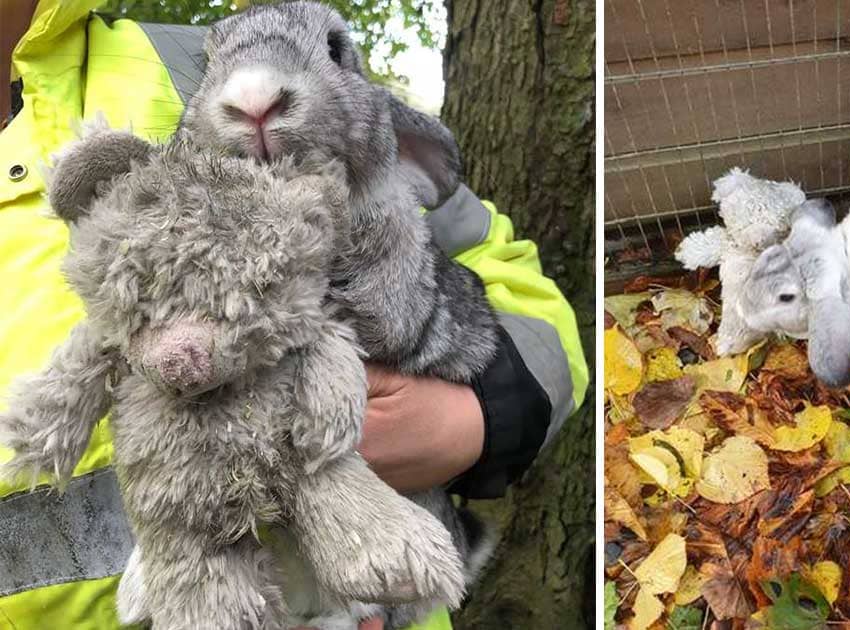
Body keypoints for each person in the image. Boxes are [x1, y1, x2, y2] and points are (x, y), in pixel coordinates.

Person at [0, 2, 588, 629]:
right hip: (184, 565)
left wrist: (469, 421)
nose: (249, 97)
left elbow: (523, 294)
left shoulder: (186, 60)